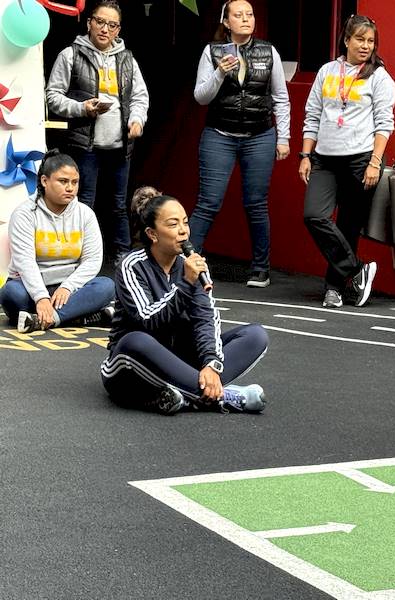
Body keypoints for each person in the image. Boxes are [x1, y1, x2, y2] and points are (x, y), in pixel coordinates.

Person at [100, 194, 269, 415]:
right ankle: (222, 396)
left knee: (255, 335)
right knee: (135, 340)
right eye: (173, 224)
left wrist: (211, 364)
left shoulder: (191, 265)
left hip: (182, 362)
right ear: (152, 234)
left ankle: (188, 395)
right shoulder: (132, 265)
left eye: (185, 223)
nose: (183, 231)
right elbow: (148, 319)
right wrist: (186, 283)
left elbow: (205, 319)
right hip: (133, 365)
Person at [189, 0, 290, 289]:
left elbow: (280, 98)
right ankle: (187, 261)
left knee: (256, 203)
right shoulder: (212, 51)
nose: (246, 19)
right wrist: (219, 72)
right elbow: (201, 97)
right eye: (238, 15)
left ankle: (260, 269)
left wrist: (284, 138)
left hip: (259, 135)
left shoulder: (268, 51)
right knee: (208, 202)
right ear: (226, 22)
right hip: (219, 134)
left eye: (250, 14)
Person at [300, 14, 395, 308]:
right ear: (346, 40)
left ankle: (334, 289)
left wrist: (375, 162)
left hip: (361, 159)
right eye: (360, 39)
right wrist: (305, 155)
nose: (366, 46)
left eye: (371, 41)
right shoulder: (327, 71)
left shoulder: (379, 77)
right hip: (325, 158)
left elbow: (385, 124)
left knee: (348, 226)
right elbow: (312, 114)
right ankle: (357, 270)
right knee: (314, 215)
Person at [46, 0, 149, 265]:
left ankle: (123, 256)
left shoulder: (127, 59)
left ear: (118, 30)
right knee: (83, 203)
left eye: (112, 25)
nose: (105, 29)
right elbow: (52, 96)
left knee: (118, 204)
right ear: (89, 22)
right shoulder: (71, 54)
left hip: (120, 144)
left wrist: (137, 120)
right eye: (100, 22)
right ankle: (78, 257)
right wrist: (81, 108)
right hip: (84, 144)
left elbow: (140, 97)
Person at [0, 150, 115, 333]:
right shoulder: (24, 214)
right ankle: (79, 316)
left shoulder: (85, 214)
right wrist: (41, 297)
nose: (70, 188)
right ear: (44, 181)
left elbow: (92, 261)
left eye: (74, 182)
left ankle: (47, 319)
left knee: (106, 286)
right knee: (11, 294)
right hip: (30, 288)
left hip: (70, 290)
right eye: (63, 181)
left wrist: (67, 287)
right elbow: (25, 261)